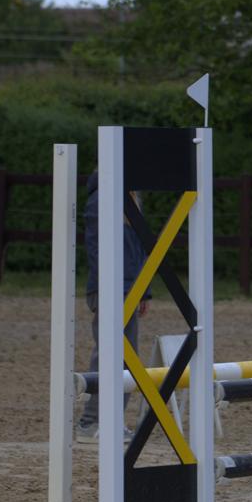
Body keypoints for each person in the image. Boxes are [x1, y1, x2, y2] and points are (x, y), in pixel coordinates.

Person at [76, 172, 149, 443]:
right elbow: (96, 248)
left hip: (130, 287)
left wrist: (144, 289)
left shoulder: (133, 199)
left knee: (128, 358)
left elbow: (140, 249)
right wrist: (109, 286)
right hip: (109, 287)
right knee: (108, 354)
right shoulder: (100, 199)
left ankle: (112, 419)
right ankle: (90, 421)